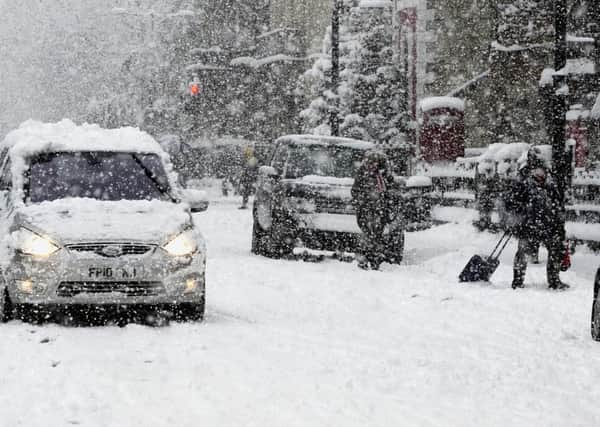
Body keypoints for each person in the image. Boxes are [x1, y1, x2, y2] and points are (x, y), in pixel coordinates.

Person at [504, 153, 568, 290]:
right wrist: (521, 211)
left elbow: (558, 206)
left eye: (543, 170)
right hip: (528, 225)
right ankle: (517, 281)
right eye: (537, 169)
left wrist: (560, 227)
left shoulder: (552, 184)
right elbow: (510, 203)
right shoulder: (522, 184)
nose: (540, 173)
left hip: (549, 225)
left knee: (555, 250)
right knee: (522, 252)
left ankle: (554, 280)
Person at [351, 151, 396, 270]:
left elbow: (391, 192)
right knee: (368, 234)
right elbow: (355, 191)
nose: (372, 165)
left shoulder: (384, 176)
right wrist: (362, 201)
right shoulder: (362, 175)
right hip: (366, 210)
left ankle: (374, 258)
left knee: (376, 235)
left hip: (380, 210)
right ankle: (365, 258)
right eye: (370, 163)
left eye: (375, 163)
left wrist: (388, 204)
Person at [238, 145, 259, 209]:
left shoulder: (252, 160)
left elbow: (250, 169)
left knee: (246, 191)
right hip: (248, 177)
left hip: (248, 177)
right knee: (246, 191)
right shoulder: (252, 160)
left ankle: (245, 203)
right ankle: (245, 203)